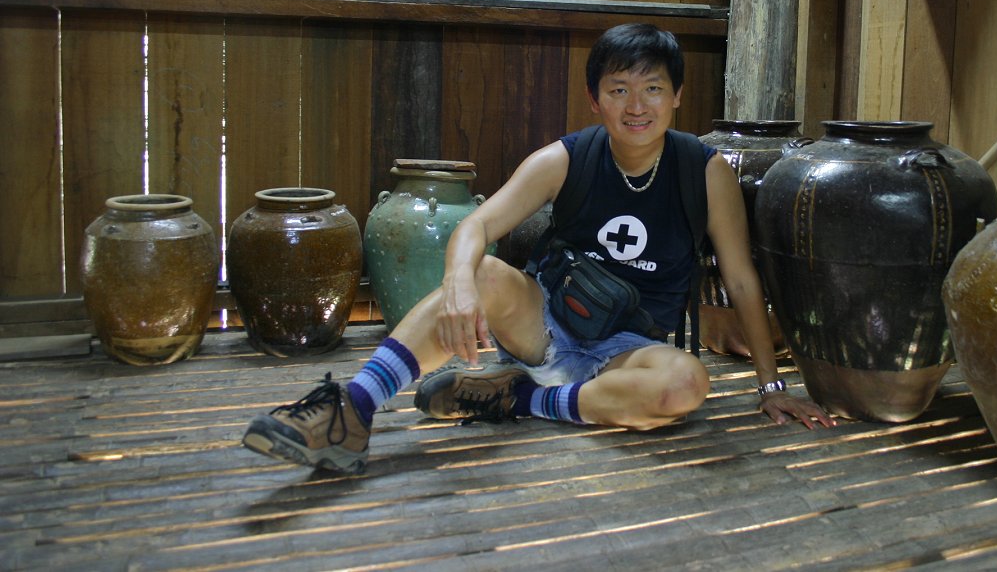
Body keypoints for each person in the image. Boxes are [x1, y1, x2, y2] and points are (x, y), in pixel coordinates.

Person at [242, 23, 835, 474]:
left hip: (628, 351)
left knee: (686, 386)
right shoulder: (565, 159)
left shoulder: (704, 172)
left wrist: (771, 387)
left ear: (677, 96)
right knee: (492, 274)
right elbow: (477, 226)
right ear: (594, 98)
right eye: (619, 89)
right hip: (548, 323)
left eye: (653, 88)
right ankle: (353, 410)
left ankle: (525, 398)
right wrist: (460, 283)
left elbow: (741, 278)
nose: (637, 105)